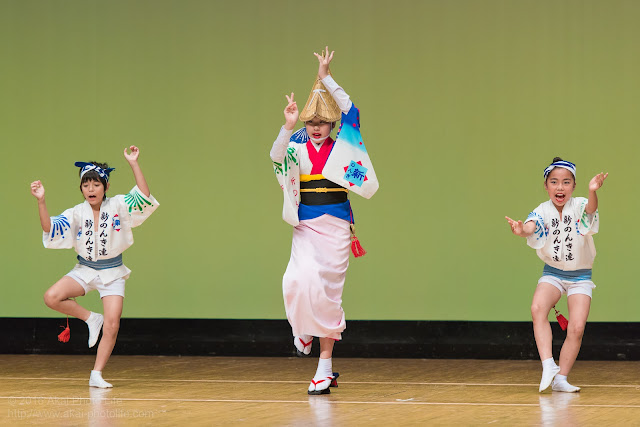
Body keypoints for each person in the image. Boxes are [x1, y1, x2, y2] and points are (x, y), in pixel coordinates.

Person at [270, 47, 373, 395]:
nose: (315, 128)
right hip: (305, 225)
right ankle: (302, 328)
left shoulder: (343, 144)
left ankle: (324, 368)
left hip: (337, 227)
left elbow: (353, 111)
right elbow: (275, 157)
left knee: (328, 294)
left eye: (322, 123)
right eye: (310, 123)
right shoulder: (296, 145)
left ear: (331, 124)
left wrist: (326, 75)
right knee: (295, 282)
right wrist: (287, 126)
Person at [30, 146, 159, 388]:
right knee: (52, 297)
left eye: (96, 184)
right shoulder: (76, 213)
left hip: (113, 273)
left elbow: (143, 196)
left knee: (113, 323)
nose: (91, 189)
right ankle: (90, 319)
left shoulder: (119, 206)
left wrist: (133, 163)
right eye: (86, 185)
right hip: (85, 270)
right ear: (81, 189)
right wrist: (41, 201)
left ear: (106, 187)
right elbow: (49, 228)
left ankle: (96, 373)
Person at [505, 158, 607, 393]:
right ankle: (548, 364)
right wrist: (521, 231)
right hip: (553, 273)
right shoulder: (542, 210)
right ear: (546, 186)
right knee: (537, 308)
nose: (560, 187)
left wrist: (593, 191)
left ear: (573, 186)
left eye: (565, 182)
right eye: (554, 182)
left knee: (577, 328)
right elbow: (531, 226)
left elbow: (591, 211)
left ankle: (561, 378)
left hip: (580, 276)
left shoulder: (580, 204)